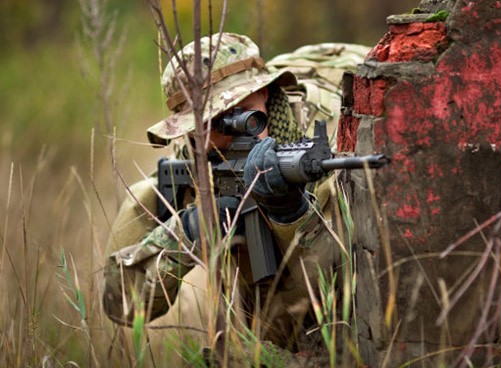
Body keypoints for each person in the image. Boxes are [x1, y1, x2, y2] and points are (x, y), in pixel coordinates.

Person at [102, 33, 342, 346]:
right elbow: (121, 305)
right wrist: (183, 234)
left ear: (266, 93)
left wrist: (291, 215)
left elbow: (348, 288)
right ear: (189, 131)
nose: (235, 130)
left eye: (243, 113)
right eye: (212, 122)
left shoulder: (326, 148)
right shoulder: (187, 168)